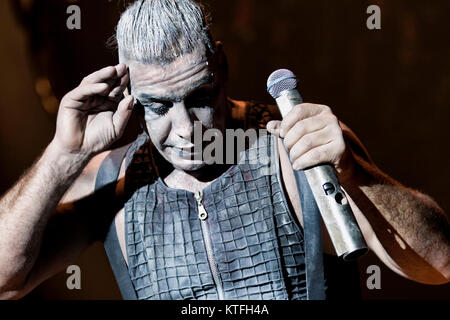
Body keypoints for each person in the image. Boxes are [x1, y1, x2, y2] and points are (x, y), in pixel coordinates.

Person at [0, 0, 448, 300]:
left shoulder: (294, 147)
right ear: (130, 92)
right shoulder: (113, 179)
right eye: (157, 107)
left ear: (221, 66)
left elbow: (439, 264)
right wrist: (62, 156)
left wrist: (354, 174)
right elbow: (5, 281)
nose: (185, 129)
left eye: (198, 98)